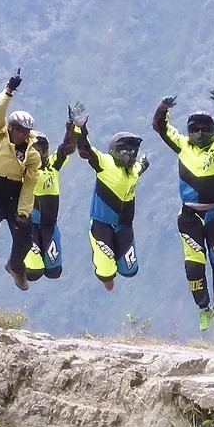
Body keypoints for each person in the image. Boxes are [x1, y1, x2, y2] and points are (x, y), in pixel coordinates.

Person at [154, 88, 214, 331]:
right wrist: (163, 108)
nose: (200, 133)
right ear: (189, 132)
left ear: (212, 131)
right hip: (190, 216)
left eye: (205, 129)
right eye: (194, 129)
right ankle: (203, 309)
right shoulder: (182, 146)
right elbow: (159, 127)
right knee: (194, 265)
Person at [0, 68, 43, 291]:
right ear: (11, 128)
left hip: (14, 195)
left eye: (26, 131)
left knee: (25, 236)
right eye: (19, 129)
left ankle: (15, 266)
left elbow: (30, 184)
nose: (22, 134)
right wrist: (9, 90)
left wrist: (23, 212)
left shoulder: (32, 154)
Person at [69, 106, 149, 290]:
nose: (128, 156)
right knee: (106, 274)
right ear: (115, 150)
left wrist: (144, 162)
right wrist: (80, 128)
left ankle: (114, 273)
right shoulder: (105, 163)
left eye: (132, 152)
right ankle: (107, 278)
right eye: (124, 151)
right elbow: (85, 150)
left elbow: (141, 167)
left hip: (124, 225)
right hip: (101, 224)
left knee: (130, 270)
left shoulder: (134, 169)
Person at [22, 108, 75, 281]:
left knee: (54, 272)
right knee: (33, 273)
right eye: (34, 151)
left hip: (50, 225)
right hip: (29, 225)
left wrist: (71, 125)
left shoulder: (53, 164)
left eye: (41, 150)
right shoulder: (22, 169)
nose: (38, 154)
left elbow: (67, 147)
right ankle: (15, 266)